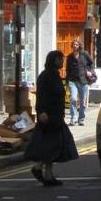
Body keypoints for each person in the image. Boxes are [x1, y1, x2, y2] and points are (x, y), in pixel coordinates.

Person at [25, 50, 78, 187]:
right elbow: (41, 96)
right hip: (48, 117)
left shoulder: (55, 75)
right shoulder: (45, 76)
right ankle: (38, 167)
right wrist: (42, 112)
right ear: (53, 60)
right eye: (60, 60)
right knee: (53, 146)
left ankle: (48, 175)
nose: (62, 62)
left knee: (52, 146)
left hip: (56, 116)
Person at [65, 40, 96, 126]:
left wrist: (90, 71)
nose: (75, 46)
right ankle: (73, 118)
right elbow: (67, 69)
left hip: (83, 81)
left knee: (83, 101)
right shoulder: (69, 57)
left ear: (79, 46)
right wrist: (67, 81)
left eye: (77, 44)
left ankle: (81, 118)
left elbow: (91, 63)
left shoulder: (84, 54)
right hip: (73, 81)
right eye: (74, 44)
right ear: (72, 46)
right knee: (73, 99)